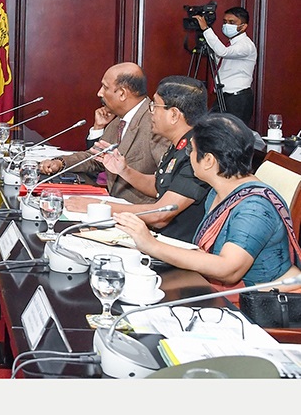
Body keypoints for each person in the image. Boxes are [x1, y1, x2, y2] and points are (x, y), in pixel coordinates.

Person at [114, 113, 301, 290]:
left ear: (209, 160)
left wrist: (151, 245)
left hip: (257, 303)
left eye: (191, 150)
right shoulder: (217, 191)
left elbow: (229, 270)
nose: (188, 156)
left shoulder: (254, 209)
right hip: (216, 288)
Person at [65, 76, 211, 243]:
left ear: (174, 115)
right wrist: (124, 170)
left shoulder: (197, 153)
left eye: (154, 106)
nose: (151, 112)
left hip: (177, 248)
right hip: (159, 240)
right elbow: (159, 184)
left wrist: (100, 206)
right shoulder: (179, 144)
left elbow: (160, 214)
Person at [39, 62, 169, 205]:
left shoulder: (155, 123)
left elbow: (166, 184)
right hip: (114, 206)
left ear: (122, 93)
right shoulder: (119, 119)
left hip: (138, 214)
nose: (99, 93)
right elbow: (96, 157)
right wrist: (60, 163)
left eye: (105, 87)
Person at [193, 6, 256, 126]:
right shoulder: (230, 44)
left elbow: (223, 52)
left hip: (238, 98)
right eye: (225, 22)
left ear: (243, 26)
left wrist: (206, 29)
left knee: (233, 135)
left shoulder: (246, 45)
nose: (227, 25)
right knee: (212, 129)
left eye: (232, 22)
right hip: (223, 96)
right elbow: (219, 58)